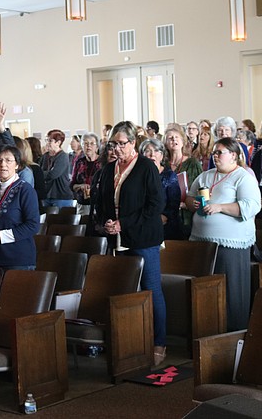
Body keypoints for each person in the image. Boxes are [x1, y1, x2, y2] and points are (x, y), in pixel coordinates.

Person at [97, 121, 166, 366]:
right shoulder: (109, 169)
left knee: (150, 287)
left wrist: (124, 223)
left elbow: (155, 205)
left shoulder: (146, 167)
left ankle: (159, 342)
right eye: (113, 144)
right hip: (116, 236)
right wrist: (106, 221)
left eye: (122, 143)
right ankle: (130, 340)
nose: (117, 148)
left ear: (133, 143)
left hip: (143, 235)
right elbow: (102, 200)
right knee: (124, 289)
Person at [187, 137, 261, 331]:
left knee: (231, 292)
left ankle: (234, 333)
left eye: (220, 152)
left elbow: (252, 206)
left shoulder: (243, 177)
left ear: (234, 155)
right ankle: (208, 331)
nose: (216, 156)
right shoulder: (205, 175)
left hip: (231, 245)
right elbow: (188, 198)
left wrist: (220, 207)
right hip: (202, 243)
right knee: (206, 291)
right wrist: (192, 203)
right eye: (214, 152)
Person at [0, 145, 39, 271]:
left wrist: (0, 236)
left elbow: (33, 225)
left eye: (8, 160)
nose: (3, 164)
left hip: (18, 258)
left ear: (17, 165)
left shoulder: (26, 190)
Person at [141, 138, 182, 241]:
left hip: (165, 225)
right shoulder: (139, 176)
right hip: (143, 223)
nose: (152, 154)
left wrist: (163, 216)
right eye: (147, 151)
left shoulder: (169, 175)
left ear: (162, 155)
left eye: (156, 151)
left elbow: (174, 203)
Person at [40, 129, 73, 208]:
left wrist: (42, 174)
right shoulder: (45, 156)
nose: (47, 143)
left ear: (58, 143)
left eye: (50, 140)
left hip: (61, 196)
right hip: (47, 195)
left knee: (60, 220)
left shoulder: (63, 156)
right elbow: (39, 171)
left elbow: (53, 174)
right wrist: (43, 174)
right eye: (46, 140)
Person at [70, 132, 101, 214]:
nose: (88, 146)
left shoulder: (103, 163)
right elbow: (72, 184)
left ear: (97, 147)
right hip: (82, 204)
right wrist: (81, 186)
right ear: (82, 146)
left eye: (92, 143)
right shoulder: (79, 162)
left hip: (99, 204)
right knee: (82, 226)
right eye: (85, 143)